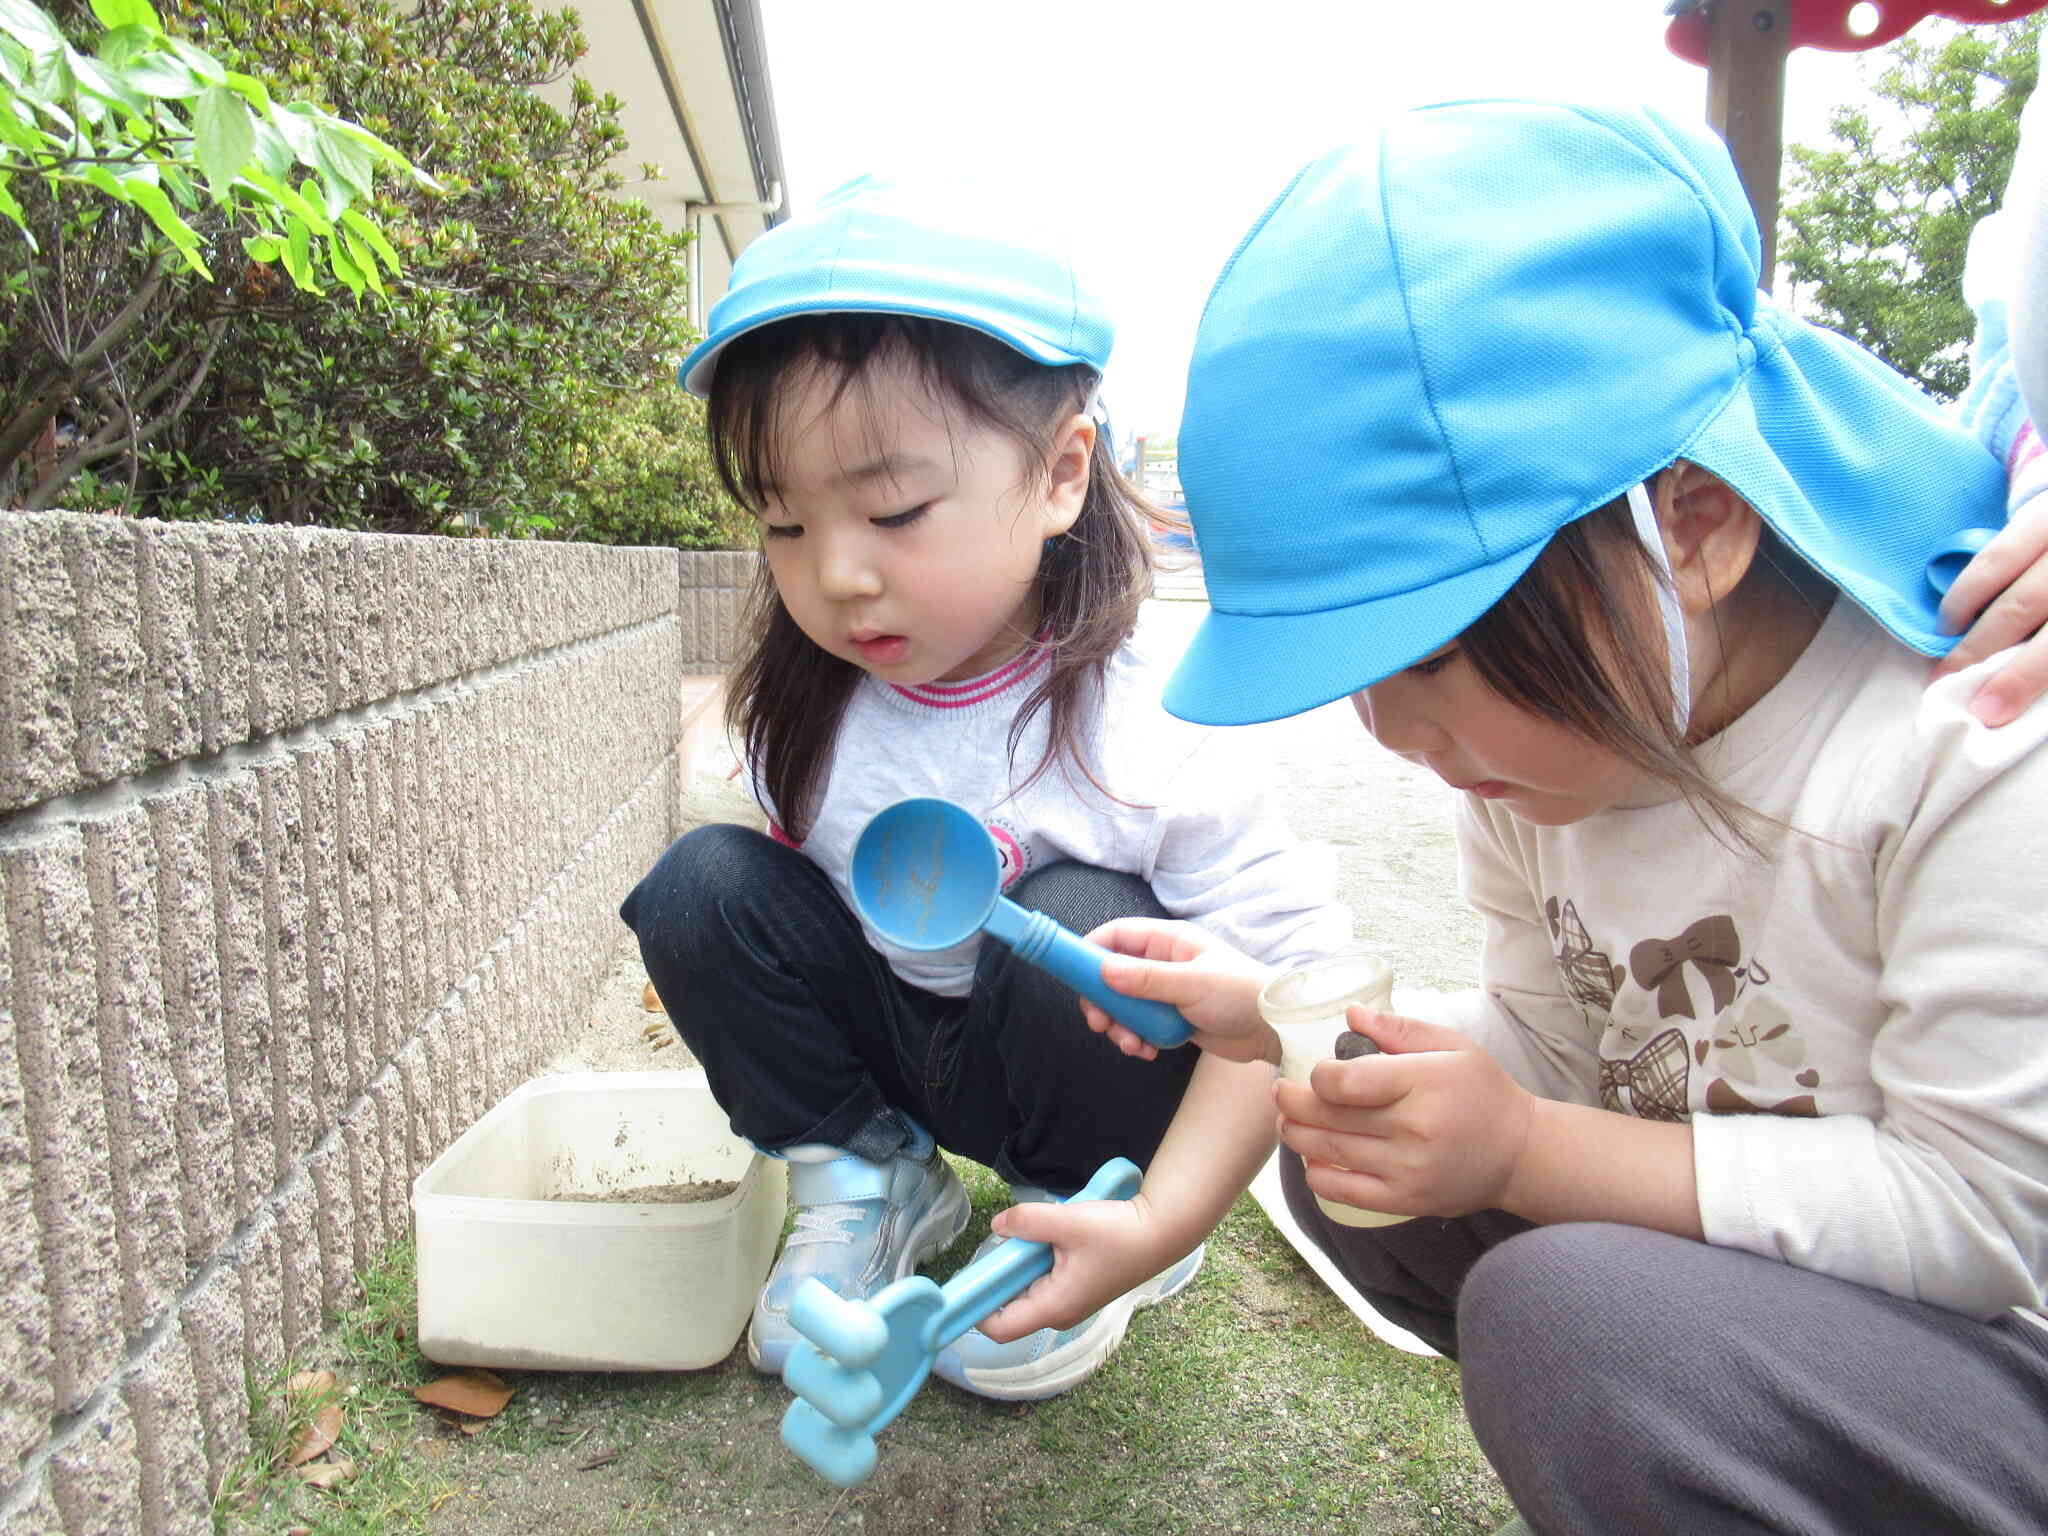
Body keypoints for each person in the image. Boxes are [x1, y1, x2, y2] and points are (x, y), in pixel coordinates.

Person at [1043, 101, 2048, 1533]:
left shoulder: (1965, 742)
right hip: (1787, 1291)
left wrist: (1520, 1154)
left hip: (1996, 1363)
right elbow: (1560, 1046)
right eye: (1357, 676)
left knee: (1577, 1322)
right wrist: (1276, 1019)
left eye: (1433, 653)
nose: (1396, 733)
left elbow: (1980, 1219)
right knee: (1353, 1150)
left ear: (1691, 524)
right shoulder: (1544, 759)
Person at [618, 174, 1349, 1401]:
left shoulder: (1143, 719)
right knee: (699, 888)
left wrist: (1165, 1209)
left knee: (1070, 911)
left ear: (1061, 475)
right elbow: (776, 936)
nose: (836, 575)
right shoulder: (806, 702)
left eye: (893, 510)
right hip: (916, 1055)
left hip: (1093, 1084)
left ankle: (1086, 1222)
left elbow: (1292, 996)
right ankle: (868, 1177)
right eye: (784, 525)